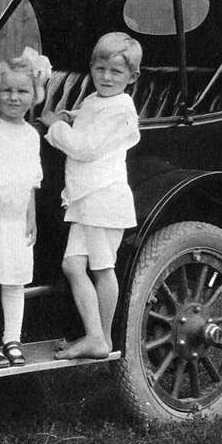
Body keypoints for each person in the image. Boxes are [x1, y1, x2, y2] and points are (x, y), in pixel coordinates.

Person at [42, 32, 142, 360]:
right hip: (86, 200)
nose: (107, 77)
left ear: (132, 77)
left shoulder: (122, 107)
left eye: (116, 72)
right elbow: (88, 122)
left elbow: (85, 148)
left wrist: (54, 127)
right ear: (91, 69)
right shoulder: (93, 101)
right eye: (100, 69)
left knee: (101, 267)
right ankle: (94, 336)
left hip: (104, 199)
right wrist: (71, 117)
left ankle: (102, 337)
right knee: (73, 265)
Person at [0, 49, 51, 368]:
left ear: (33, 95)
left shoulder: (31, 135)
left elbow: (31, 181)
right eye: (7, 90)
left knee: (15, 280)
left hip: (16, 220)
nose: (14, 97)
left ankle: (12, 338)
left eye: (22, 91)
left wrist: (30, 217)